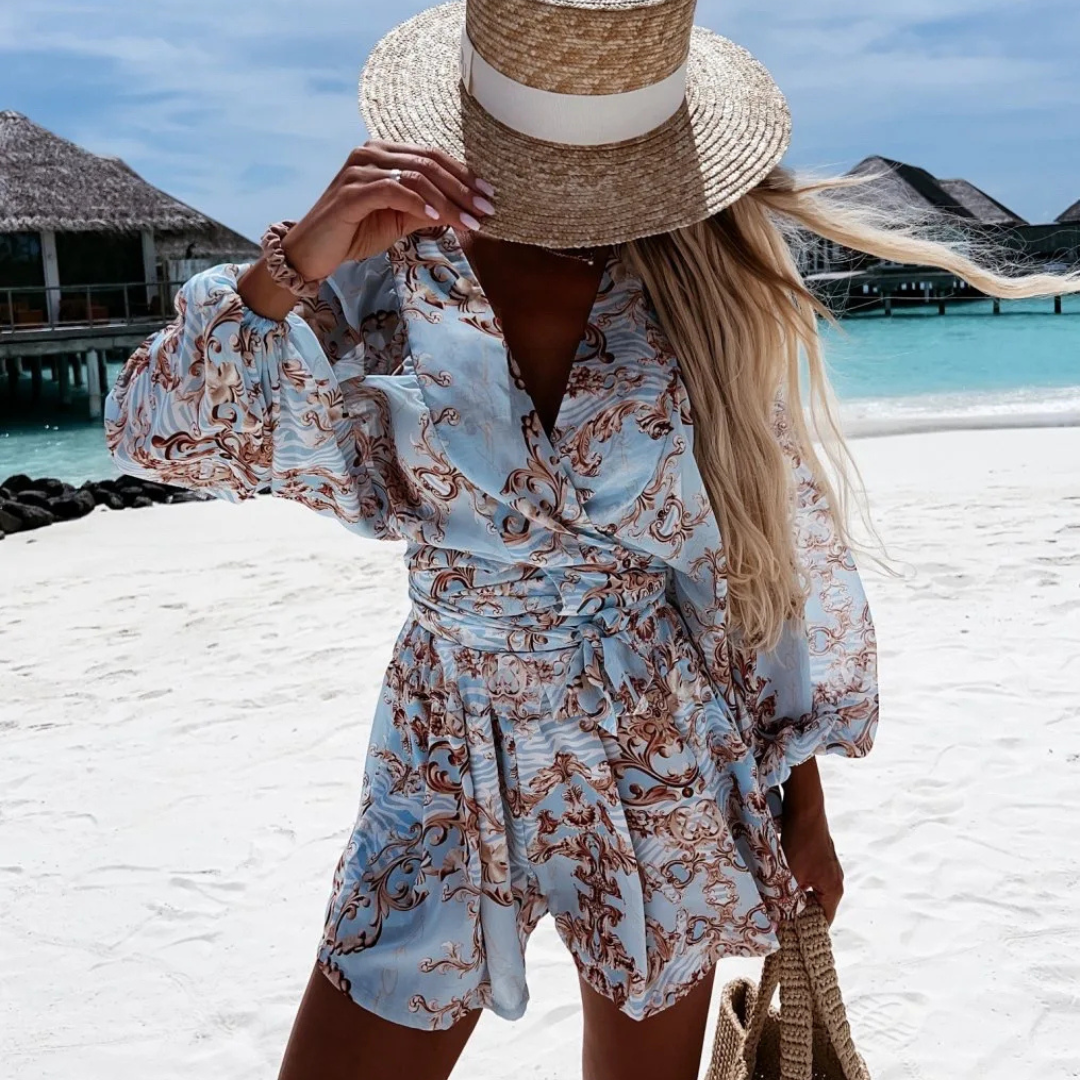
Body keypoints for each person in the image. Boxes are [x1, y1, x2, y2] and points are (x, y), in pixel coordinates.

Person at [103, 2, 1078, 1078]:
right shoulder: (389, 269)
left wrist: (803, 802)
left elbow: (758, 565)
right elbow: (160, 431)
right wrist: (298, 260)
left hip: (660, 738)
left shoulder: (695, 281)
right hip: (445, 737)